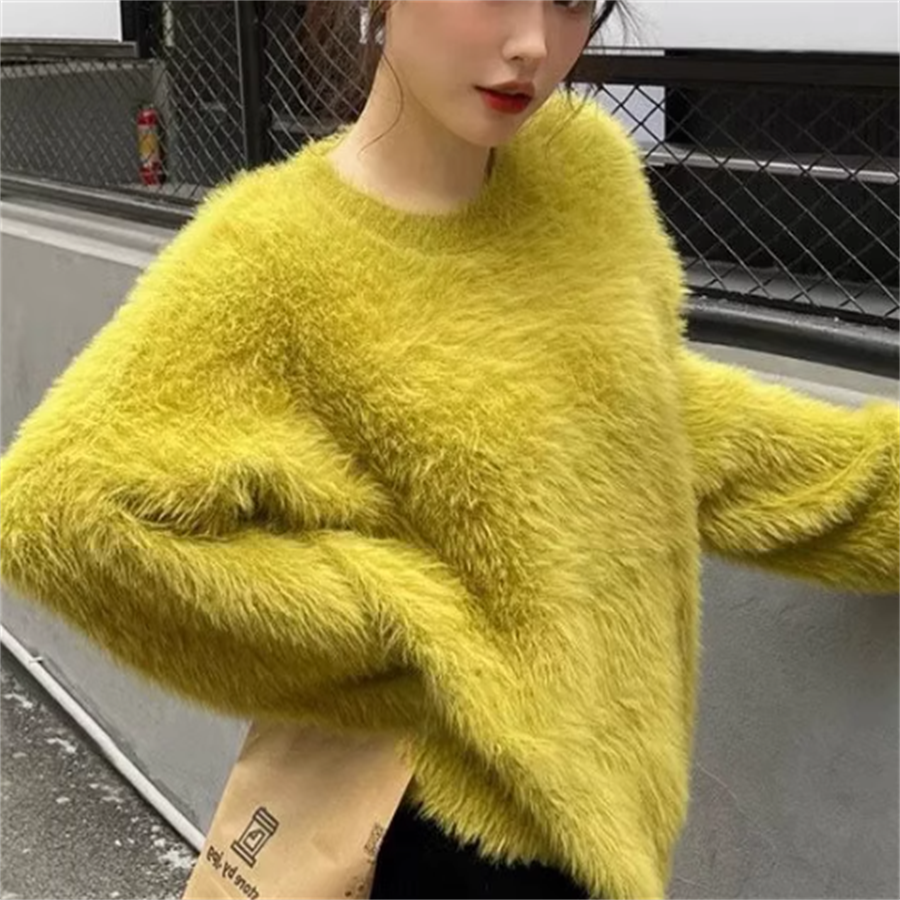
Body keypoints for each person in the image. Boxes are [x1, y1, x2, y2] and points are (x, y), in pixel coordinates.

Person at [0, 1, 897, 899]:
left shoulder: (582, 174)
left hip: (614, 811)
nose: (534, 45)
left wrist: (874, 485)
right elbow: (63, 511)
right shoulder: (271, 258)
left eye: (571, 1)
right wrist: (410, 628)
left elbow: (650, 413)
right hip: (448, 826)